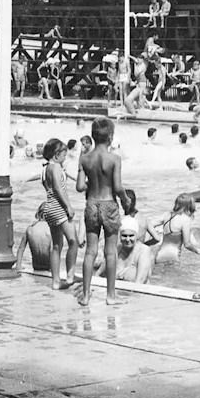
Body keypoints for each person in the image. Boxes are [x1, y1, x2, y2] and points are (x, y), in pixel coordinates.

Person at [76, 117, 129, 306]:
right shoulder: (114, 159)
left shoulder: (84, 159)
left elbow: (80, 187)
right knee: (110, 252)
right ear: (111, 137)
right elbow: (117, 186)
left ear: (93, 136)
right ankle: (110, 295)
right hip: (109, 205)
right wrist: (126, 199)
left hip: (92, 204)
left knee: (90, 251)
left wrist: (92, 181)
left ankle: (85, 295)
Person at [41, 138, 77, 290]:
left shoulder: (45, 169)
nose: (65, 158)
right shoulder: (55, 167)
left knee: (56, 245)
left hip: (49, 208)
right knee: (73, 241)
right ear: (56, 155)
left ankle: (56, 281)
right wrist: (68, 206)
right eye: (64, 155)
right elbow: (57, 188)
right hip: (58, 207)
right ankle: (70, 276)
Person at [93, 216, 153, 284]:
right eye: (124, 236)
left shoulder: (143, 251)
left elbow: (139, 282)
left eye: (131, 236)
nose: (127, 240)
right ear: (120, 236)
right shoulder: (116, 249)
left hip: (135, 292)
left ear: (136, 236)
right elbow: (98, 274)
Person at [154, 193, 200, 265]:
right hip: (173, 257)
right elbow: (187, 244)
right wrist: (197, 250)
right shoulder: (185, 219)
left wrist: (154, 237)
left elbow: (149, 224)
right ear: (189, 205)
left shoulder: (167, 215)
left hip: (159, 256)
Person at [15, 205, 53, 273]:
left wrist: (18, 266)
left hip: (36, 266)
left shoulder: (30, 229)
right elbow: (53, 251)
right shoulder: (51, 230)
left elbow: (21, 249)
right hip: (49, 268)